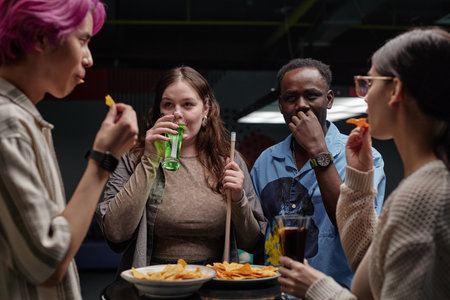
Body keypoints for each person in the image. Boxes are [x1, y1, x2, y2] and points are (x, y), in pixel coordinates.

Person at [277, 27, 450, 299]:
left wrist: (316, 288)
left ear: (395, 90)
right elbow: (373, 267)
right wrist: (358, 179)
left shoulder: (425, 196)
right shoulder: (424, 184)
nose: (364, 95)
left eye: (369, 83)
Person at [0, 0, 139, 299]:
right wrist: (104, 159)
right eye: (83, 41)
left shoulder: (23, 120)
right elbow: (47, 263)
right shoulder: (8, 125)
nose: (89, 59)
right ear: (40, 37)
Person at [96, 66, 266, 294]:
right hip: (151, 286)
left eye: (188, 104)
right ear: (158, 111)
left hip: (214, 286)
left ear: (205, 110)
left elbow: (251, 242)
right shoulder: (134, 158)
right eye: (168, 105)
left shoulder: (229, 160)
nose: (177, 114)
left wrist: (238, 198)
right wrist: (150, 159)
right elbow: (115, 233)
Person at [250, 58, 386, 288]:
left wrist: (318, 151)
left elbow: (355, 232)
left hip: (335, 291)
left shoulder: (363, 156)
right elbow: (255, 236)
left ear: (329, 99)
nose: (301, 105)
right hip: (275, 290)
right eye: (291, 98)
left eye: (311, 96)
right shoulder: (266, 161)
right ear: (281, 104)